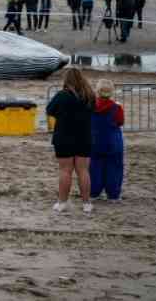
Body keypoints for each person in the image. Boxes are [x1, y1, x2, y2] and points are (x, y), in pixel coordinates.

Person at [46, 68, 95, 214]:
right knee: (83, 171)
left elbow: (50, 110)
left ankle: (62, 203)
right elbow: (93, 110)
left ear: (66, 80)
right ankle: (86, 204)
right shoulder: (89, 96)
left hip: (64, 137)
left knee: (65, 170)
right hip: (84, 137)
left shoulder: (62, 95)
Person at [90, 79, 125, 201]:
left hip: (94, 141)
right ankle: (113, 195)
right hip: (113, 141)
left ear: (97, 91)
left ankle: (94, 193)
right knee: (114, 168)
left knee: (94, 168)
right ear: (111, 92)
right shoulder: (117, 107)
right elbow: (120, 122)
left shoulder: (90, 106)